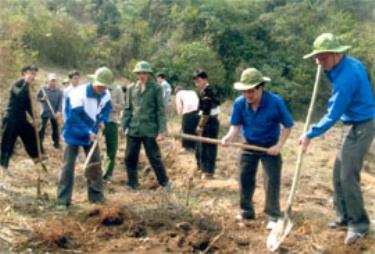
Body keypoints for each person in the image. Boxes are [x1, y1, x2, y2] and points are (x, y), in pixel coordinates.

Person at [300, 33, 375, 244]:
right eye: (317, 58)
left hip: (362, 126)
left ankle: (359, 224)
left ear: (335, 54)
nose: (318, 62)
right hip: (351, 123)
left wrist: (310, 134)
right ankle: (343, 217)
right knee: (337, 172)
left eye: (322, 57)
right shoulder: (343, 65)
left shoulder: (346, 77)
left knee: (348, 176)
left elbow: (333, 113)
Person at [221, 68, 294, 229]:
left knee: (271, 181)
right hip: (248, 144)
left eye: (251, 91)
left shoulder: (275, 102)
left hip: (270, 146)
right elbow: (235, 126)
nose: (248, 95)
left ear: (261, 88)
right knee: (244, 177)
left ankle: (272, 215)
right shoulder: (240, 103)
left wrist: (279, 145)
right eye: (245, 91)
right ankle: (246, 211)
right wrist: (228, 137)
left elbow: (288, 126)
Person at [56, 67, 113, 210]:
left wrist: (102, 121)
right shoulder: (77, 94)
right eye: (99, 86)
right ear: (93, 81)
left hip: (92, 134)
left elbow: (106, 109)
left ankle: (96, 197)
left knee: (94, 165)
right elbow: (73, 117)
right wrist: (87, 131)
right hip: (73, 133)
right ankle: (63, 200)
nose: (101, 89)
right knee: (68, 166)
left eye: (104, 86)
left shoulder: (105, 94)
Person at [123, 61, 170, 190]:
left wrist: (162, 129)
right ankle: (132, 184)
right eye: (139, 73)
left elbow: (160, 110)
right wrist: (124, 125)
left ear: (149, 74)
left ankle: (165, 183)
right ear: (136, 74)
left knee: (154, 157)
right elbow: (128, 109)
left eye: (144, 73)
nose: (142, 76)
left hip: (149, 129)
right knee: (130, 157)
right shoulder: (131, 88)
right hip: (134, 128)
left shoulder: (156, 88)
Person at [0, 65, 41, 177]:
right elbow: (20, 95)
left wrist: (35, 119)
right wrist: (26, 83)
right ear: (23, 74)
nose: (33, 76)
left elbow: (29, 106)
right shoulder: (16, 85)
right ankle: (4, 168)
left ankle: (37, 159)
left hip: (21, 119)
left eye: (34, 74)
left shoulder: (29, 88)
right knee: (7, 144)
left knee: (31, 134)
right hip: (11, 118)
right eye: (30, 73)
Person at [193, 70, 221, 179]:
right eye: (195, 82)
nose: (197, 84)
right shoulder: (206, 90)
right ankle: (203, 169)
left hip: (209, 121)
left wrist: (200, 125)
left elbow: (206, 110)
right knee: (203, 146)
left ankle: (208, 171)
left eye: (199, 81)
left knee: (209, 146)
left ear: (205, 79)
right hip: (209, 120)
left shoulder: (208, 91)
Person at [103, 84, 125, 182]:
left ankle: (107, 173)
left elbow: (122, 106)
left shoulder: (117, 89)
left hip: (111, 121)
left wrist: (112, 104)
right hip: (95, 122)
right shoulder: (96, 86)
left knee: (111, 149)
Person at [37, 73, 63, 150]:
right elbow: (37, 98)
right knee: (42, 128)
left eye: (54, 81)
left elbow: (60, 103)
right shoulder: (43, 89)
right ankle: (39, 144)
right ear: (48, 81)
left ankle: (56, 143)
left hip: (54, 113)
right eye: (51, 81)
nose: (53, 82)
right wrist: (43, 99)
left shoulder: (59, 91)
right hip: (45, 112)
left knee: (55, 128)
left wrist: (59, 112)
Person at [175, 85, 199, 151]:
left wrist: (181, 116)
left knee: (186, 130)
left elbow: (179, 107)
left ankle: (186, 147)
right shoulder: (192, 92)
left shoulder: (178, 94)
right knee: (194, 129)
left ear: (177, 91)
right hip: (198, 111)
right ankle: (194, 147)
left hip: (188, 111)